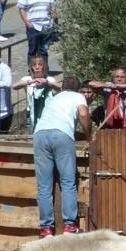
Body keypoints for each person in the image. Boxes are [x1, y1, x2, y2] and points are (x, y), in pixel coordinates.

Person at [33, 74, 89, 236]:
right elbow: (84, 114)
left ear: (62, 87)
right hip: (62, 135)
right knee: (68, 182)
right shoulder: (79, 96)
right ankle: (69, 225)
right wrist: (88, 136)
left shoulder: (55, 97)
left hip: (40, 134)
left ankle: (46, 227)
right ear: (78, 89)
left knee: (44, 186)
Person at [17, 0, 58, 64]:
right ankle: (31, 71)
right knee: (33, 50)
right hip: (34, 26)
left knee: (44, 50)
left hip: (46, 26)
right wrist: (28, 23)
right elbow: (21, 9)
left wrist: (53, 18)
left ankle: (45, 71)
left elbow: (53, 6)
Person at [17, 56, 59, 131]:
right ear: (31, 67)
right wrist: (30, 82)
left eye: (40, 65)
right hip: (31, 113)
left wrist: (47, 83)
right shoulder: (27, 79)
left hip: (47, 114)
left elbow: (59, 88)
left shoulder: (50, 79)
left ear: (44, 67)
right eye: (34, 65)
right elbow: (15, 86)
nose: (37, 67)